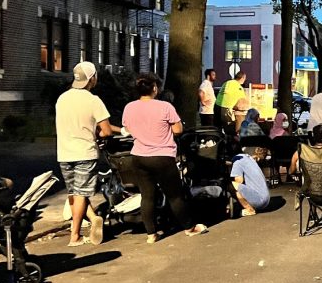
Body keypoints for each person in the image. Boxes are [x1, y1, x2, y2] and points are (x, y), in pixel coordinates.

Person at [121, 73, 208, 243]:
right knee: (174, 195)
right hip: (162, 156)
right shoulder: (165, 107)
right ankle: (189, 227)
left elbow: (128, 129)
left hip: (139, 156)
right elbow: (178, 130)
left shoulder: (129, 107)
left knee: (147, 196)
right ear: (155, 88)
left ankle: (151, 234)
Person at [56, 61, 116, 248]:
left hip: (64, 152)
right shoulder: (93, 100)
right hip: (85, 152)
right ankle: (75, 235)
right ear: (92, 79)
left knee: (73, 192)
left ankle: (92, 217)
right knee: (81, 194)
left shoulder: (62, 99)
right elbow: (105, 130)